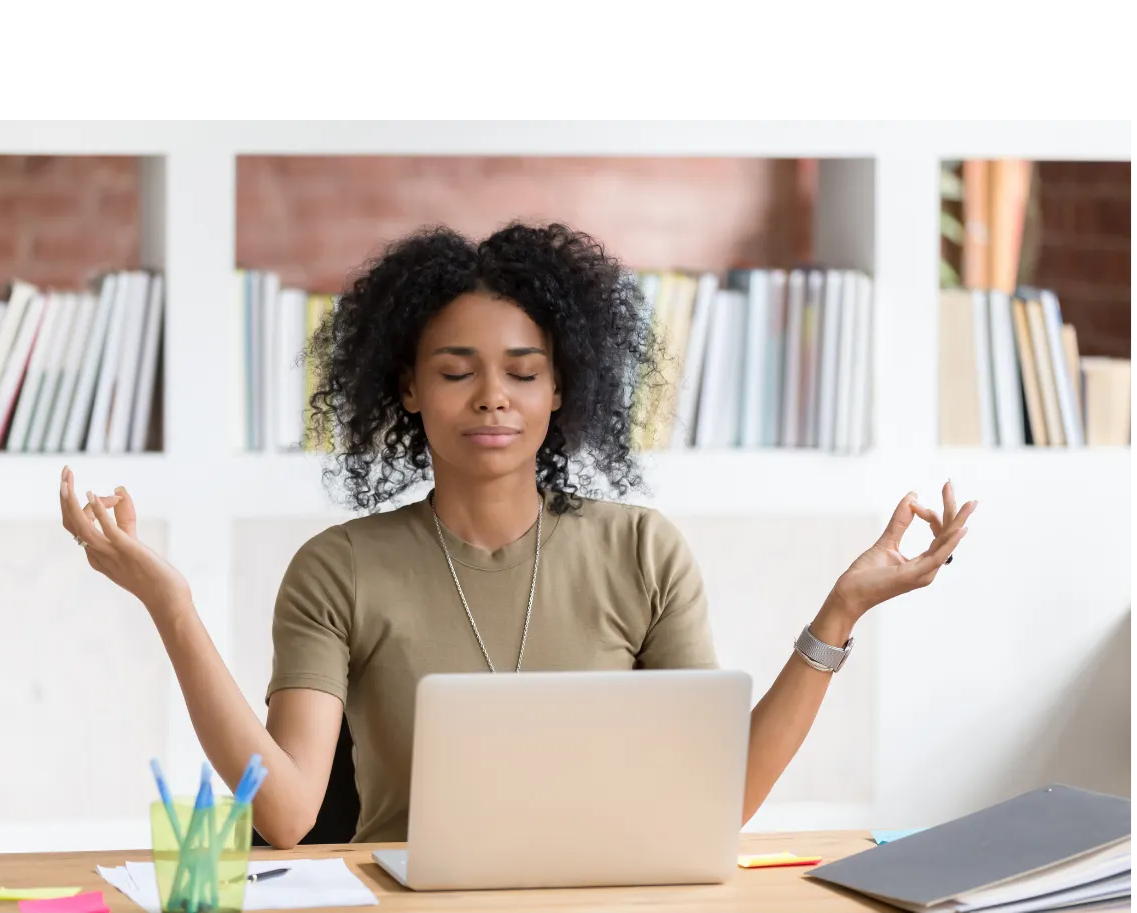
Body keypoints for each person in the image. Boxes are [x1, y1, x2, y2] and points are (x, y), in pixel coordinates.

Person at [58, 222, 975, 849]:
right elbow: (291, 816)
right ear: (408, 389)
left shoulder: (643, 553)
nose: (493, 396)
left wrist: (841, 610)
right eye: (456, 372)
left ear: (561, 389)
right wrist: (170, 605)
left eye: (523, 372)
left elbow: (716, 802)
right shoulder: (338, 569)